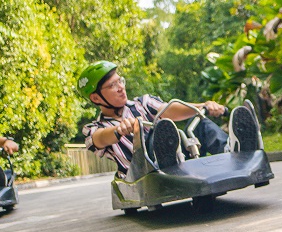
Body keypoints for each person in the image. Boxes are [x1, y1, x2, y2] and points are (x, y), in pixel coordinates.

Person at [77, 60, 261, 173]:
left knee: (199, 124)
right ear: (95, 97)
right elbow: (99, 139)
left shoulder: (143, 103)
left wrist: (204, 106)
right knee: (157, 134)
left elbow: (171, 109)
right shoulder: (94, 128)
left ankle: (235, 150)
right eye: (112, 85)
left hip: (180, 157)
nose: (120, 87)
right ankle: (165, 157)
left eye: (120, 81)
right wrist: (119, 130)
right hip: (145, 170)